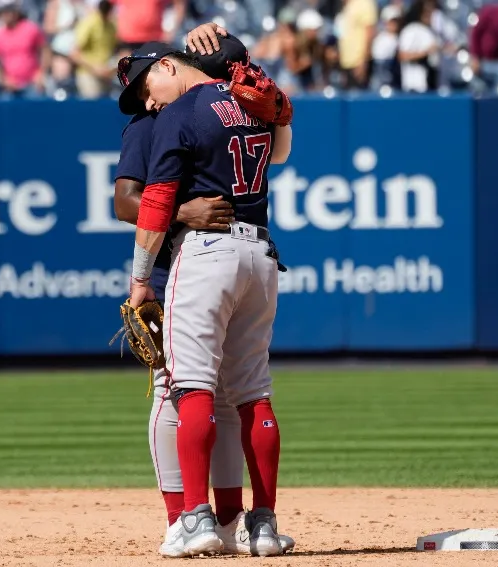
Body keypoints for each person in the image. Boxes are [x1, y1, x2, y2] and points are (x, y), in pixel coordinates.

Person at [113, 23, 296, 558]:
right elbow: (280, 139)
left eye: (148, 88)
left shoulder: (180, 113)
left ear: (169, 66)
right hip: (257, 253)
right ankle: (256, 524)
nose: (147, 103)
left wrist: (141, 278)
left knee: (189, 389)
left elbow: (150, 201)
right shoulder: (258, 105)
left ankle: (197, 519)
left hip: (202, 257)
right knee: (249, 395)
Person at [0, 0, 49, 99]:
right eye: (3, 13)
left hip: (31, 84)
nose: (5, 16)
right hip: (10, 87)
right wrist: (3, 79)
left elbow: (45, 50)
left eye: (8, 12)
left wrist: (41, 72)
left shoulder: (31, 29)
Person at [397, 0, 440, 92]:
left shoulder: (431, 30)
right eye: (426, 12)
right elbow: (403, 55)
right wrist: (425, 52)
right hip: (414, 86)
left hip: (431, 83)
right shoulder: (410, 30)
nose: (430, 15)